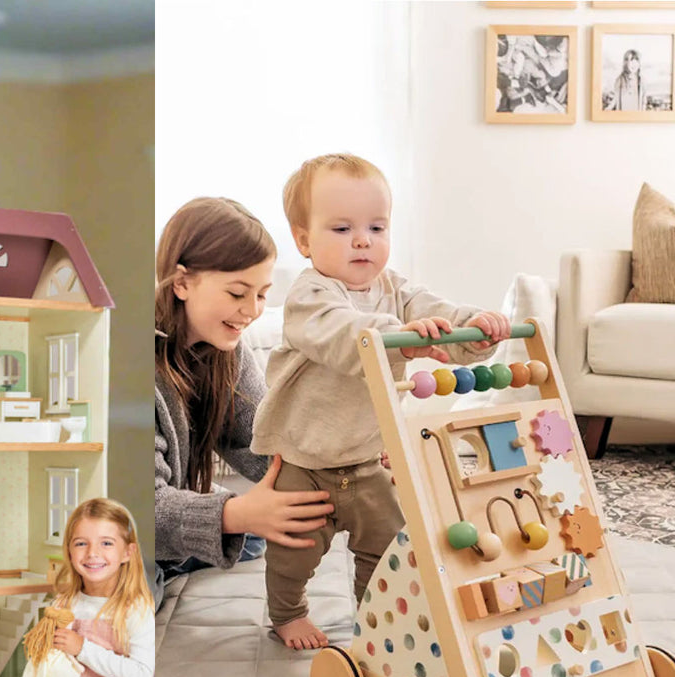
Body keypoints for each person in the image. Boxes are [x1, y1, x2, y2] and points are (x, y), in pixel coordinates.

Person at [252, 154, 510, 650]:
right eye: (342, 228)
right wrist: (401, 338)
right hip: (305, 461)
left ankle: (374, 617)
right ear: (303, 240)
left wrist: (476, 329)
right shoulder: (310, 295)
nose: (363, 240)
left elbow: (437, 314)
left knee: (389, 543)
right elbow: (342, 335)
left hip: (368, 458)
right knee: (293, 552)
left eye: (377, 226)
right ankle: (287, 613)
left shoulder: (396, 289)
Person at [153, 198, 334, 595]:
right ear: (181, 283)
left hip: (176, 508)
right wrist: (233, 514)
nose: (251, 311)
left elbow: (267, 438)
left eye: (262, 294)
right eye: (237, 293)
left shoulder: (227, 353)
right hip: (127, 523)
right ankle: (160, 564)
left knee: (252, 536)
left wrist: (346, 462)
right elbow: (142, 504)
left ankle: (170, 557)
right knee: (135, 594)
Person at [0, 498, 154, 677]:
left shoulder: (135, 608)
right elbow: (45, 663)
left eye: (106, 543)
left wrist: (82, 648)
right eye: (81, 543)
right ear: (69, 551)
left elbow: (140, 676)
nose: (93, 553)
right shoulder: (64, 602)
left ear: (127, 552)